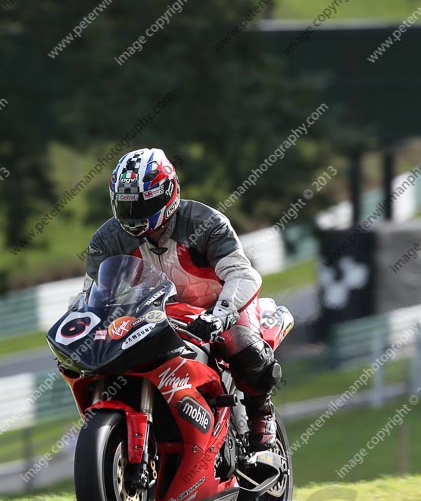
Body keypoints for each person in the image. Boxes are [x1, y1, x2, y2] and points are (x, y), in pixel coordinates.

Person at [80, 147, 281, 450]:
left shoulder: (207, 223)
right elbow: (90, 297)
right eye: (126, 205)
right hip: (155, 318)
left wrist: (221, 312)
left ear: (168, 191)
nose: (133, 215)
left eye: (143, 204)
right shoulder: (106, 240)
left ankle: (260, 416)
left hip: (218, 308)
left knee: (243, 345)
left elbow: (243, 274)